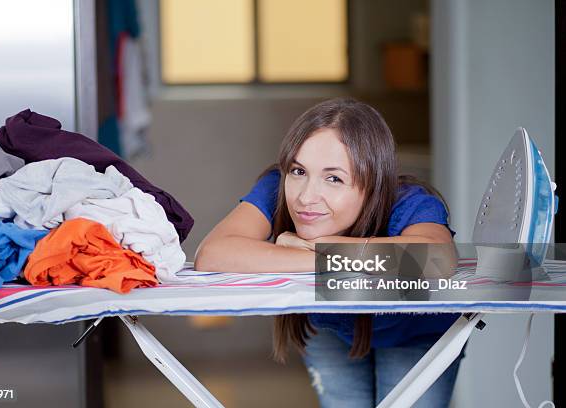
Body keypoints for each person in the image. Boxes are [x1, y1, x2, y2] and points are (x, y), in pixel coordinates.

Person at [194, 97, 464, 407]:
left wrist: (315, 247)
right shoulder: (276, 187)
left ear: (374, 184)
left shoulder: (410, 202)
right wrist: (323, 260)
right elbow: (213, 253)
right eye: (298, 171)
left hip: (414, 331)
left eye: (334, 178)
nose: (306, 196)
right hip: (333, 326)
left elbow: (435, 260)